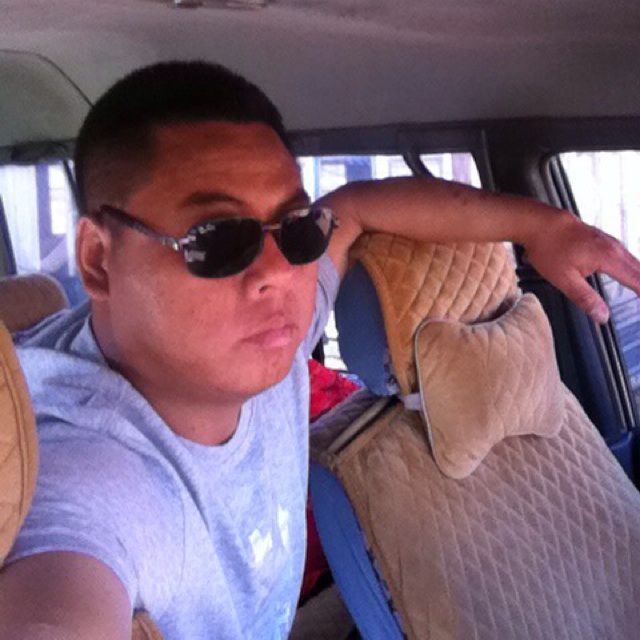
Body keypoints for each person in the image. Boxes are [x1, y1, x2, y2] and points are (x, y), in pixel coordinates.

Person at [0, 61, 638, 640]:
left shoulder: (262, 334)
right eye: (216, 240)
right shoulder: (79, 476)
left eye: (296, 229)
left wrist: (543, 227)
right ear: (97, 259)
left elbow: (351, 210)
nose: (279, 273)